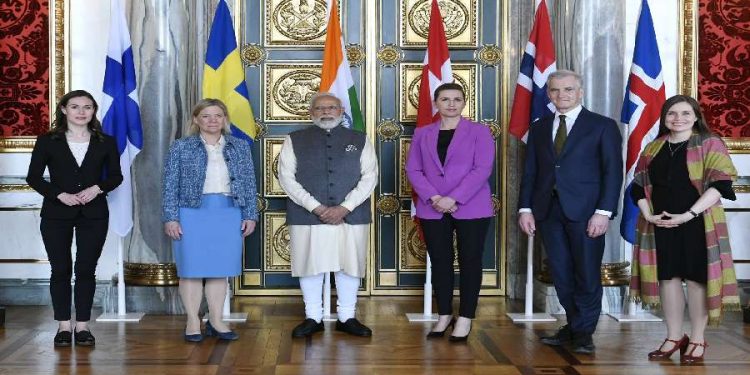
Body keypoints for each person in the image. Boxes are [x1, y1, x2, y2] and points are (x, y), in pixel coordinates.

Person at [518, 70, 622, 354]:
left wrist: (603, 212)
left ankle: (584, 333)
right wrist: (525, 208)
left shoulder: (602, 126)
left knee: (586, 273)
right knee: (561, 273)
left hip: (587, 212)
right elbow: (531, 172)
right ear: (548, 93)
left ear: (580, 91)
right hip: (548, 212)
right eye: (554, 90)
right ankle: (575, 326)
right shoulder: (540, 127)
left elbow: (613, 172)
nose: (561, 95)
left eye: (567, 90)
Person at [629, 95, 740, 364]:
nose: (677, 118)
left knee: (695, 279)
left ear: (696, 116)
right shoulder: (654, 147)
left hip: (697, 223)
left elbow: (721, 186)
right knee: (667, 277)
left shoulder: (710, 143)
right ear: (664, 118)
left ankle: (698, 338)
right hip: (661, 223)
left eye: (684, 113)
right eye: (671, 113)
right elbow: (637, 186)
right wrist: (650, 216)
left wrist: (688, 215)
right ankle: (674, 336)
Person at [26, 90, 123, 347]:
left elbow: (116, 176)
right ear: (64, 110)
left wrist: (97, 189)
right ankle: (62, 326)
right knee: (60, 269)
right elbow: (33, 177)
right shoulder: (48, 140)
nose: (81, 112)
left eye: (87, 107)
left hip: (94, 214)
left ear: (93, 111)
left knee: (85, 269)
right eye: (76, 107)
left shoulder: (106, 141)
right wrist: (59, 194)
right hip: (56, 214)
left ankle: (82, 326)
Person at [277, 92, 378, 338]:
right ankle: (313, 317)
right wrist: (317, 207)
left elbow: (370, 176)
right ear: (311, 113)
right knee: (310, 266)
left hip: (351, 215)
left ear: (341, 111)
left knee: (349, 265)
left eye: (331, 107)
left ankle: (347, 316)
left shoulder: (360, 139)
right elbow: (286, 178)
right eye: (320, 108)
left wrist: (346, 207)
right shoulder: (294, 139)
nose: (326, 112)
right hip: (307, 215)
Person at [162, 98, 258, 342]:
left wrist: (250, 214)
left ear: (225, 119)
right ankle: (193, 320)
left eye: (218, 115)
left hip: (228, 212)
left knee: (220, 269)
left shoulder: (239, 146)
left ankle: (216, 320)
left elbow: (248, 182)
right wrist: (171, 217)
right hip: (191, 212)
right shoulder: (181, 147)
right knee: (191, 270)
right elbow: (169, 185)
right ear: (196, 119)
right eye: (206, 115)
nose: (212, 120)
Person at [405, 82, 495, 342]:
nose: (451, 104)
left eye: (457, 99)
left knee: (470, 261)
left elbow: (482, 169)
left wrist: (453, 198)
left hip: (472, 207)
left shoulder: (479, 132)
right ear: (436, 103)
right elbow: (414, 170)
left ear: (464, 102)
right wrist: (435, 198)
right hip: (431, 207)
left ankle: (465, 317)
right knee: (441, 263)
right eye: (445, 99)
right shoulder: (423, 133)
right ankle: (444, 315)